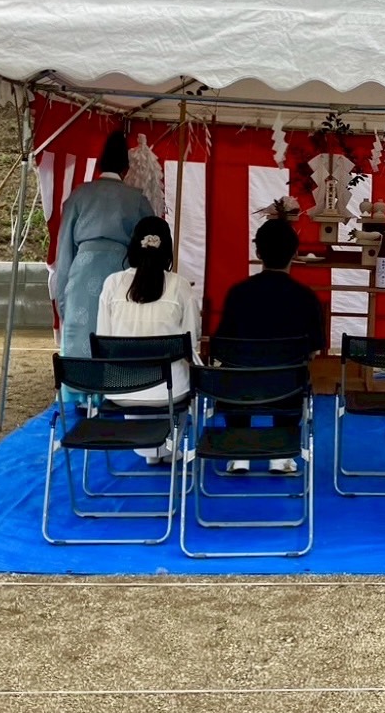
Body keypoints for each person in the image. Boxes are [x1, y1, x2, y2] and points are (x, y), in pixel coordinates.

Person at [212, 217, 327, 474]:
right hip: (287, 389)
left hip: (239, 391)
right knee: (295, 373)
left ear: (258, 253)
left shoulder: (238, 293)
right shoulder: (306, 298)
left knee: (236, 373)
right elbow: (312, 351)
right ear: (295, 253)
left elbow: (221, 346)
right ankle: (282, 453)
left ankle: (239, 451)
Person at [95, 217, 201, 462]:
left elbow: (103, 341)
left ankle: (149, 451)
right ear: (167, 248)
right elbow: (191, 342)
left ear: (133, 245)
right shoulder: (180, 286)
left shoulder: (112, 284)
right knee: (184, 372)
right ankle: (168, 449)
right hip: (170, 392)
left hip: (121, 389)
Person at [53, 130, 154, 362]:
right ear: (126, 169)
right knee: (116, 338)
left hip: (82, 273)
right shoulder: (137, 199)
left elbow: (64, 251)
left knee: (81, 341)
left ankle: (79, 381)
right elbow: (150, 249)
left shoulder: (79, 195)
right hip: (122, 275)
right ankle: (116, 383)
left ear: (100, 164)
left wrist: (63, 300)